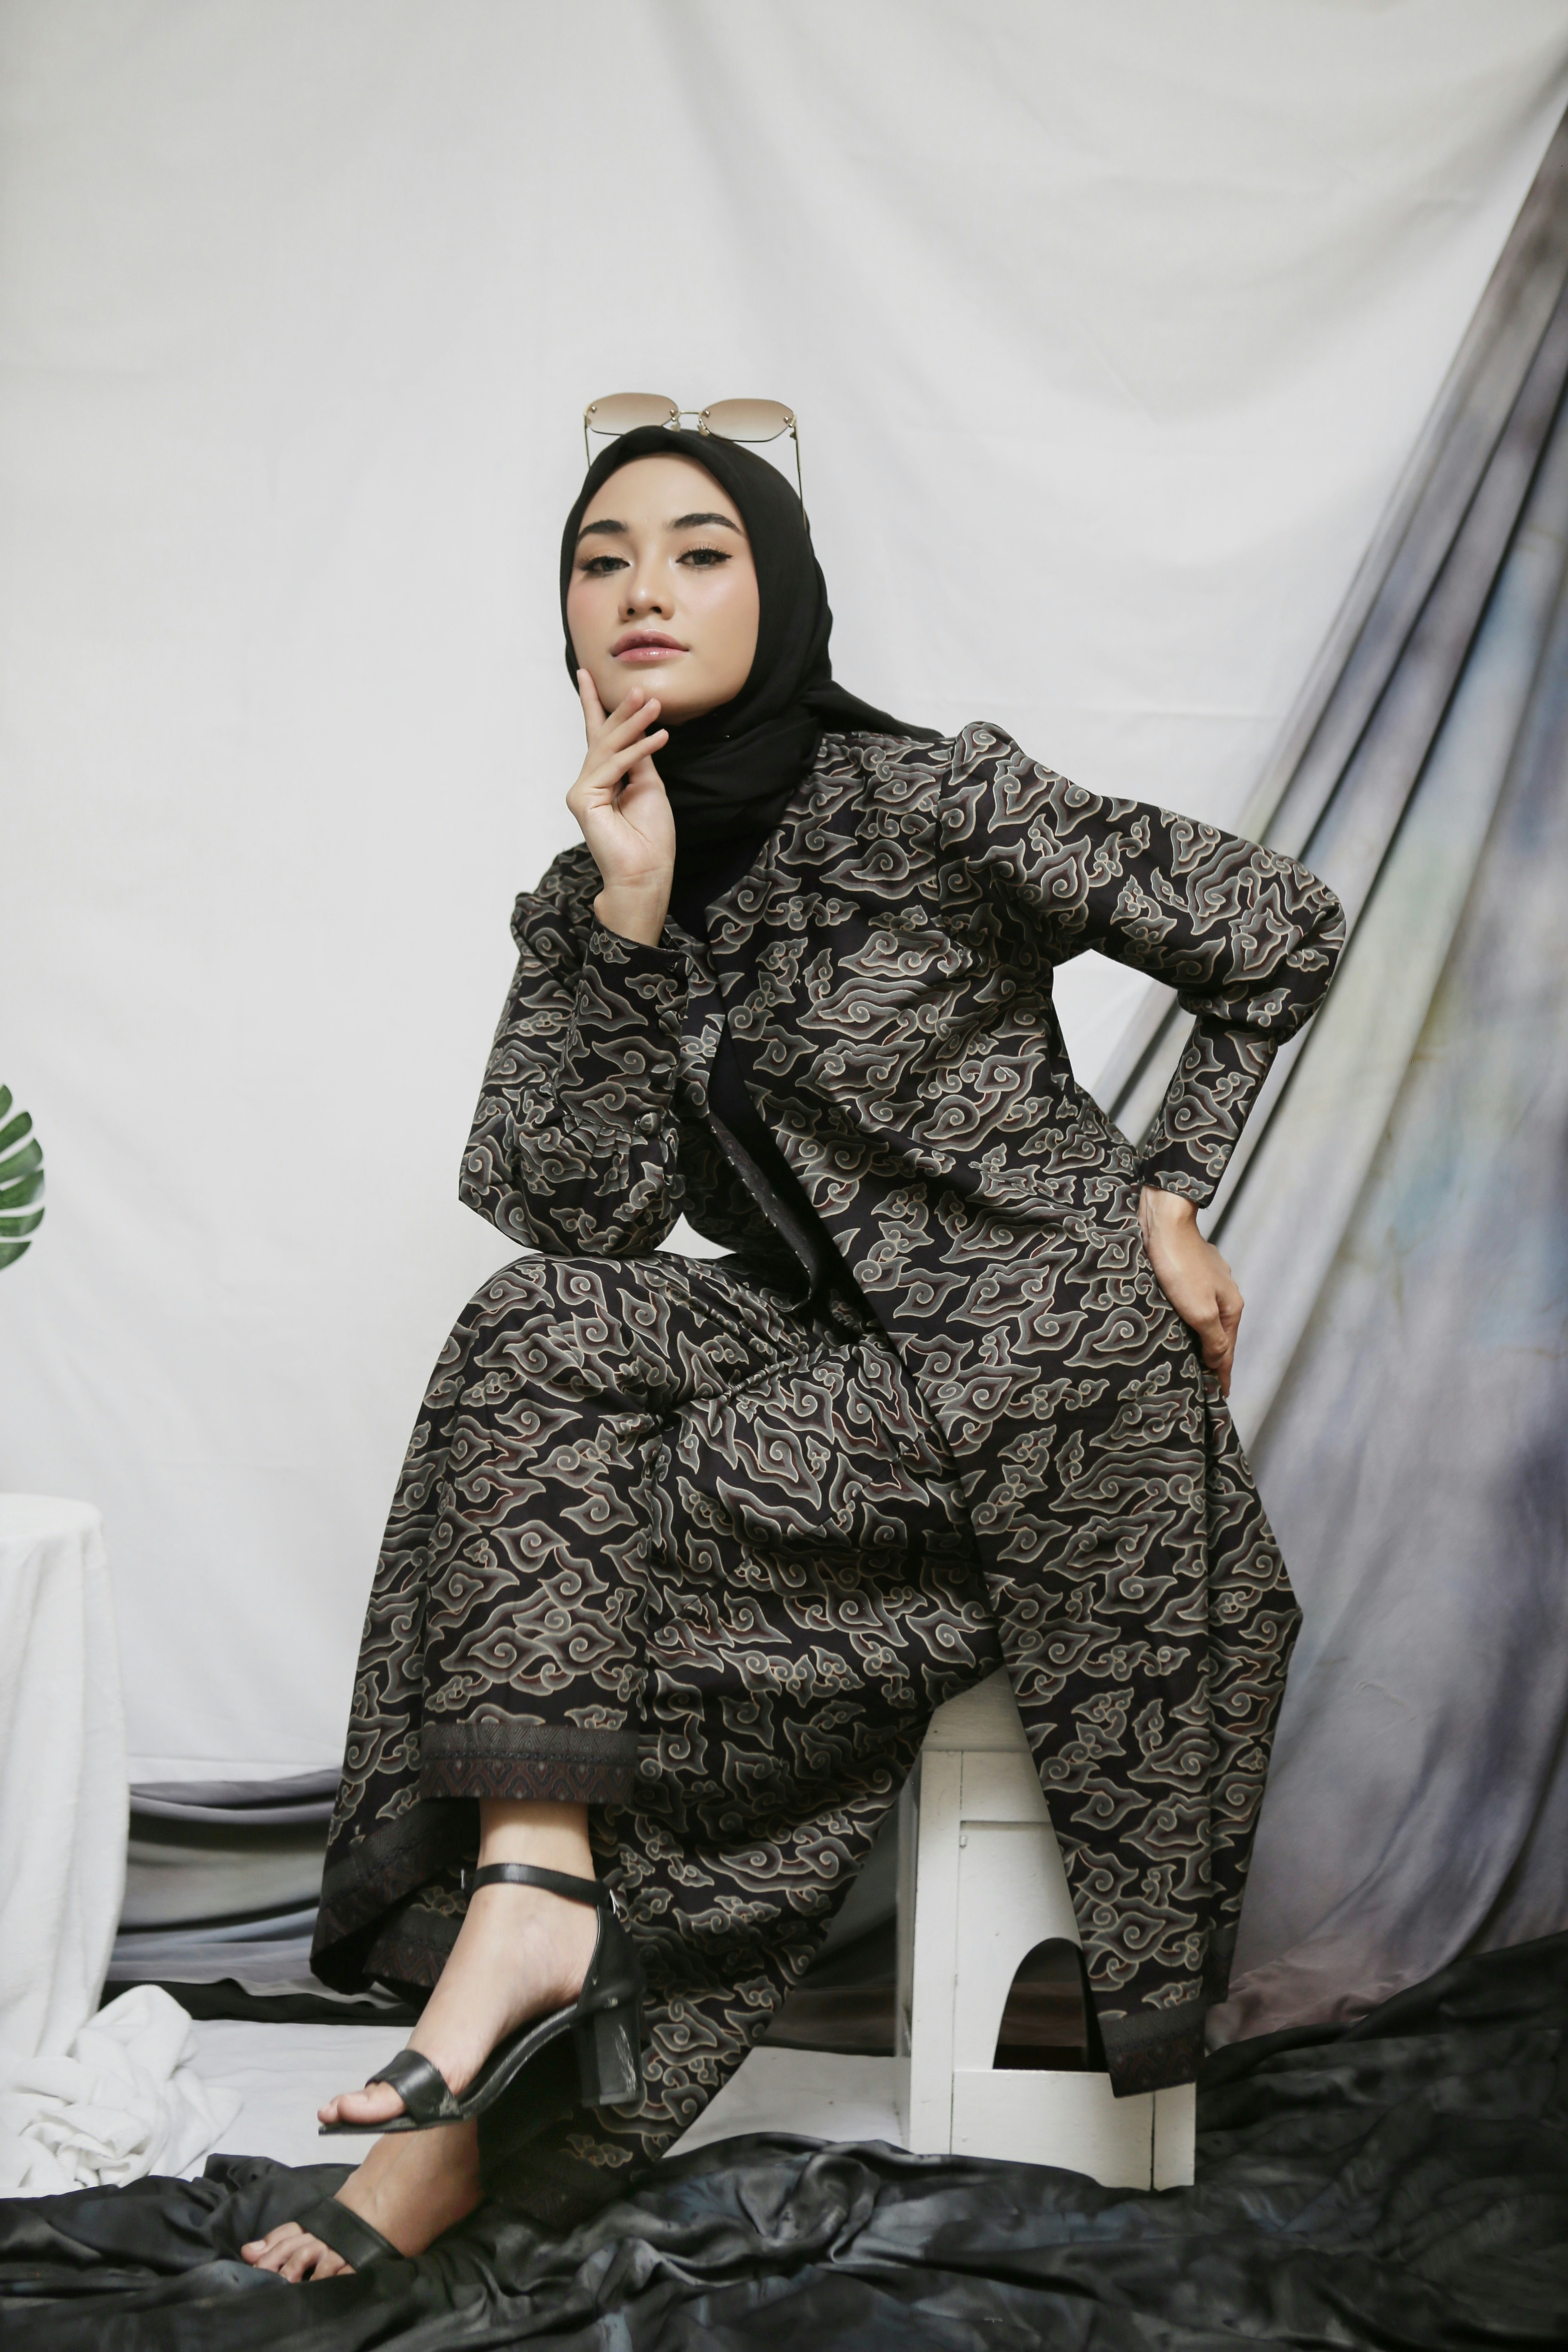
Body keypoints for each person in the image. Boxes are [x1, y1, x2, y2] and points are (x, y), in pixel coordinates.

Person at [243, 423, 1344, 2280]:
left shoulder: (932, 798)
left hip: (1040, 1354)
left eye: (700, 552)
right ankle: (533, 1888)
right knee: (534, 1330)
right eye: (602, 559)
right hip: (844, 1350)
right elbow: (569, 1213)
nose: (644, 591)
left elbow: (1275, 926)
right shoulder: (593, 888)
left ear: (782, 591)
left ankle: (474, 2123)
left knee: (664, 1512)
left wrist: (1171, 1194)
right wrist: (628, 918)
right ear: (565, 620)